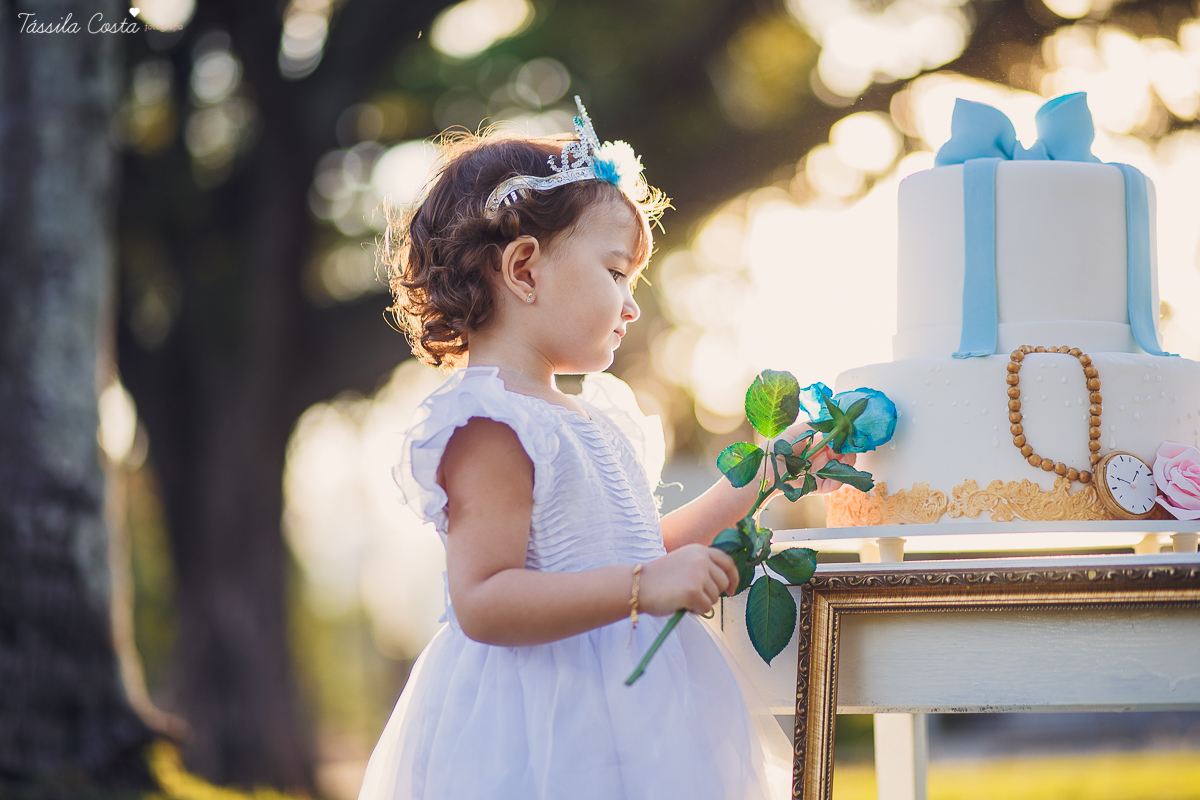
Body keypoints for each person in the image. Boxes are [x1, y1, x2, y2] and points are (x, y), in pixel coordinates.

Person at [358, 99, 852, 800]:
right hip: (542, 720)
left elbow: (642, 547)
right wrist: (640, 591)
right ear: (524, 269)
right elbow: (484, 599)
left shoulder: (597, 416)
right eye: (616, 272)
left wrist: (771, 467)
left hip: (637, 702)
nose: (632, 305)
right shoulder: (492, 424)